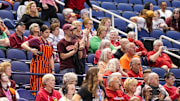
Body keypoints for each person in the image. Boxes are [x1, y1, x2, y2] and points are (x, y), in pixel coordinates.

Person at [21, 25, 54, 95]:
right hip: (37, 67)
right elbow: (23, 44)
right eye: (46, 32)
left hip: (47, 68)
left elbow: (51, 57)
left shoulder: (50, 44)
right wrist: (31, 50)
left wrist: (53, 69)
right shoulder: (36, 40)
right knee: (37, 86)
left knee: (48, 87)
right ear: (41, 32)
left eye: (49, 32)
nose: (48, 34)